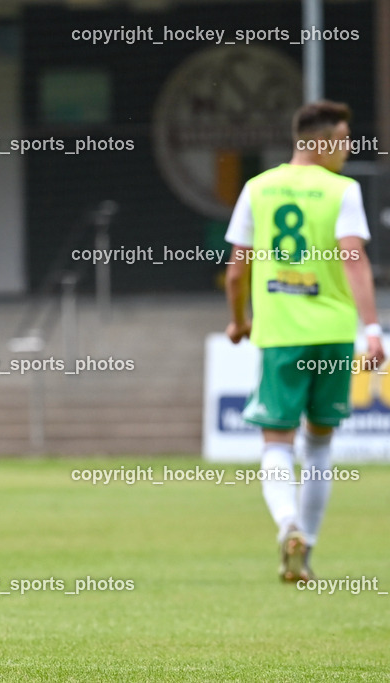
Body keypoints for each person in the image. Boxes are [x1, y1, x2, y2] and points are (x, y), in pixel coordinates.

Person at [224, 99, 384, 583]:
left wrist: (238, 321)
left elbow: (236, 273)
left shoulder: (257, 188)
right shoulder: (343, 191)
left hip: (280, 335)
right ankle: (307, 545)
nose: (349, 148)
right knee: (318, 444)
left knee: (276, 440)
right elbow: (354, 258)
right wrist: (373, 329)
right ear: (322, 143)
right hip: (334, 335)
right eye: (344, 140)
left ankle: (286, 522)